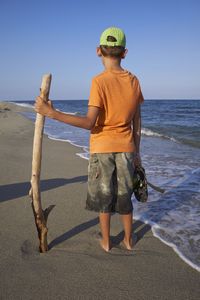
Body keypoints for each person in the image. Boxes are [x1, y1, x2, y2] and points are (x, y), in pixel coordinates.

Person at [35, 27, 144, 252]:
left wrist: (51, 113)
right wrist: (137, 153)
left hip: (103, 147)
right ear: (125, 53)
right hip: (127, 148)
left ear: (98, 51)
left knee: (105, 197)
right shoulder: (134, 81)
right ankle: (128, 240)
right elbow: (137, 122)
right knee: (125, 197)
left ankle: (106, 242)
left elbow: (89, 123)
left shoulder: (99, 81)